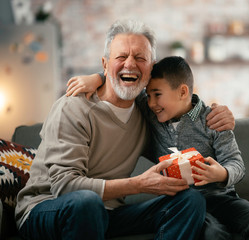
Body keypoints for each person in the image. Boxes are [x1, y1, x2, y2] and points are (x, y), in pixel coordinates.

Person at [15, 20, 235, 240]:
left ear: (151, 69)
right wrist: (137, 185)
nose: (130, 64)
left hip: (109, 214)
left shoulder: (146, 111)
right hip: (48, 208)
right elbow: (64, 186)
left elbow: (181, 125)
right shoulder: (73, 107)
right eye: (121, 57)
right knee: (86, 203)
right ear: (104, 64)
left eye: (140, 58)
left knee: (189, 201)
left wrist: (213, 115)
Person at [67, 56, 249, 239]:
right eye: (148, 95)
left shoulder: (212, 120)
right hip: (183, 203)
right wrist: (97, 78)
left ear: (183, 91)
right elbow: (122, 81)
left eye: (157, 94)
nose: (150, 102)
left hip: (220, 198)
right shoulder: (150, 113)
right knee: (213, 234)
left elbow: (236, 164)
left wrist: (222, 173)